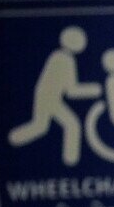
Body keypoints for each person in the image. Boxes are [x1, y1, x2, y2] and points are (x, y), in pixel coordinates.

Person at [7, 26, 101, 167]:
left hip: (49, 96)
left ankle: (12, 139)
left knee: (41, 126)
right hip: (48, 98)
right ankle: (71, 162)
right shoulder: (63, 59)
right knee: (71, 125)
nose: (83, 43)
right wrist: (93, 90)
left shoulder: (62, 56)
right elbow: (71, 91)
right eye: (80, 40)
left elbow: (68, 89)